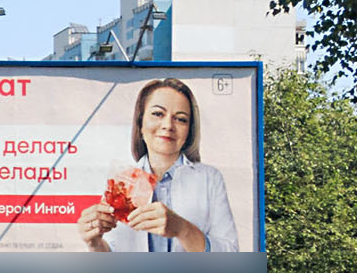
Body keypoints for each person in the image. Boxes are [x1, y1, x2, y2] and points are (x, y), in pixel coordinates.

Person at [73, 77, 241, 253]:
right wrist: (94, 243)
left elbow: (230, 253)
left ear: (189, 130)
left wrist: (182, 229)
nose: (168, 125)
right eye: (158, 114)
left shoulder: (209, 178)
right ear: (140, 124)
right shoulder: (121, 180)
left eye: (181, 119)